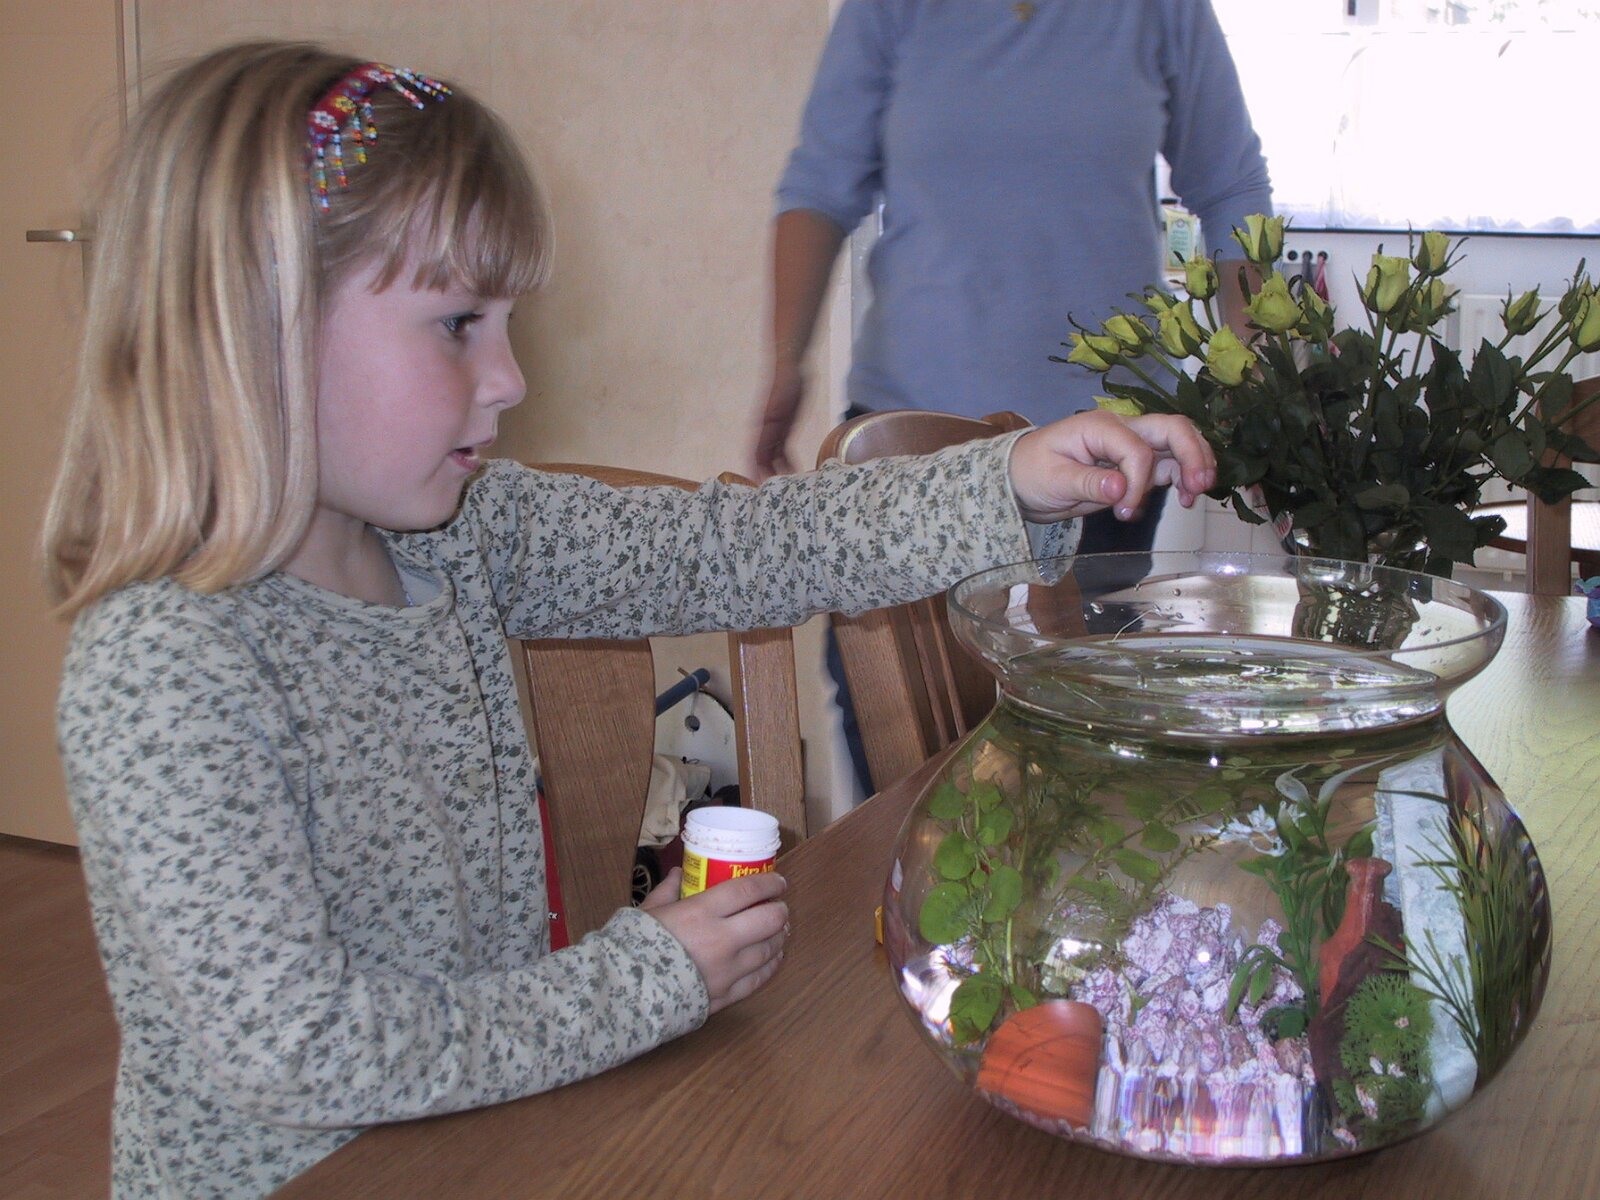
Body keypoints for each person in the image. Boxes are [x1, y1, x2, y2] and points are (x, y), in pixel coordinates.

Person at [42, 40, 1215, 1199]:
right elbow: (298, 1050)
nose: (510, 377)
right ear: (261, 330)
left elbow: (733, 548)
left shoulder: (461, 535)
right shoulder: (165, 667)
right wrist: (646, 978)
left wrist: (1005, 485)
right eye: (458, 323)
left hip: (482, 1138)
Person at [753, 0, 1271, 532]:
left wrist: (1251, 369)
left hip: (1112, 441)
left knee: (1090, 594)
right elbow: (820, 187)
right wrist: (787, 358)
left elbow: (1232, 187)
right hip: (907, 436)